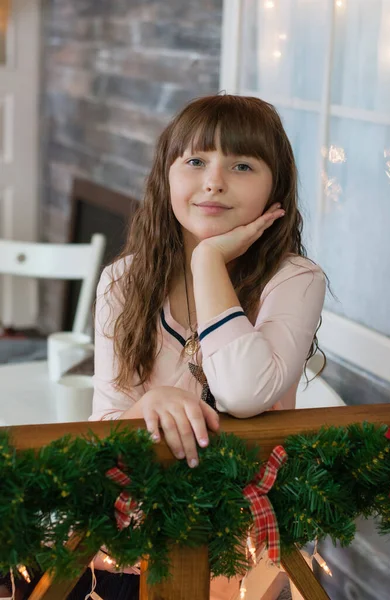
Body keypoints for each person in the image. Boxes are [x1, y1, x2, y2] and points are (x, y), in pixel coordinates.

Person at [83, 94, 327, 600]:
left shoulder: (294, 280)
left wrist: (208, 263)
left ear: (275, 187)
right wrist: (146, 407)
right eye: (196, 161)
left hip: (240, 560)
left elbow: (243, 393)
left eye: (241, 165)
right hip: (131, 550)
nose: (214, 181)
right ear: (166, 176)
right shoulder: (122, 282)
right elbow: (103, 428)